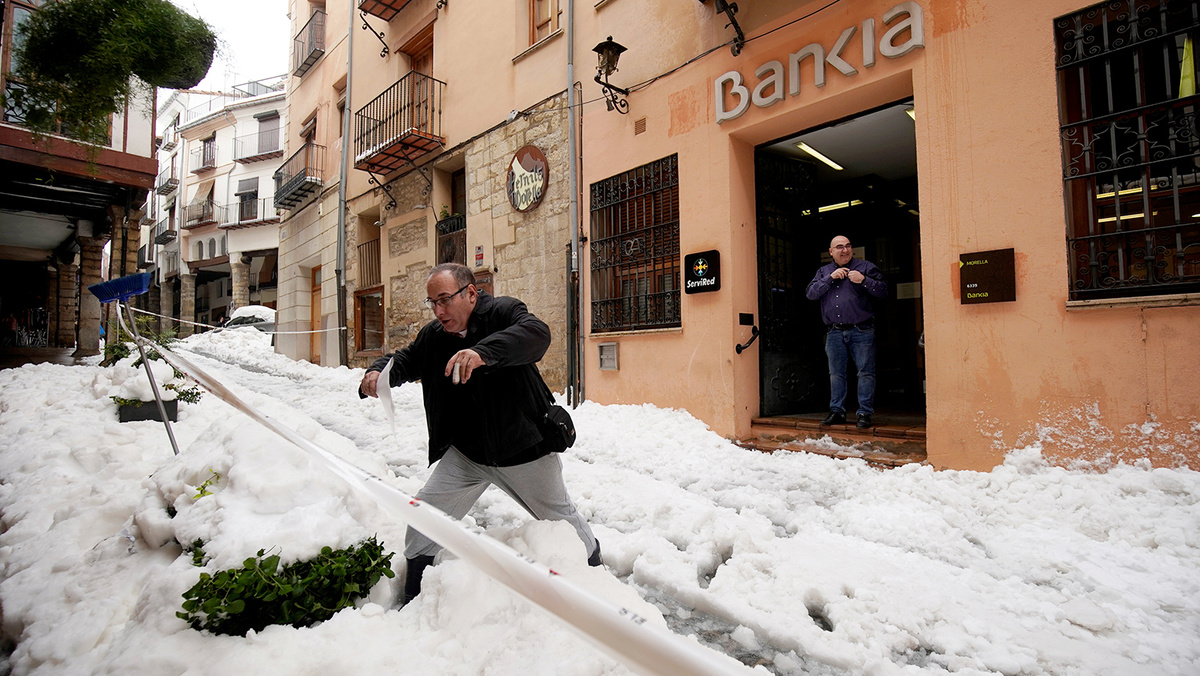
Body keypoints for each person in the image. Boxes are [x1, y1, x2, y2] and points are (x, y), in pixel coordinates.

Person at [359, 263, 600, 605]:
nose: (439, 310)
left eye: (444, 299)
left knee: (563, 522)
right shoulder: (434, 336)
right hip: (467, 455)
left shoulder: (504, 312)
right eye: (432, 303)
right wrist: (378, 371)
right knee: (425, 517)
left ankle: (597, 574)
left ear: (470, 293)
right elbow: (407, 360)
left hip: (523, 451)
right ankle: (413, 598)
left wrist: (483, 353)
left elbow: (537, 335)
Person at [805, 235, 888, 429]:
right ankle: (837, 412)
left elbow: (883, 291)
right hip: (834, 332)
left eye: (848, 246)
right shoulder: (823, 271)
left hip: (862, 330)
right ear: (831, 252)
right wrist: (829, 278)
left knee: (866, 372)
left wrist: (864, 280)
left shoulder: (865, 267)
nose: (845, 250)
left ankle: (864, 413)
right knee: (836, 374)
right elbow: (810, 293)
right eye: (840, 247)